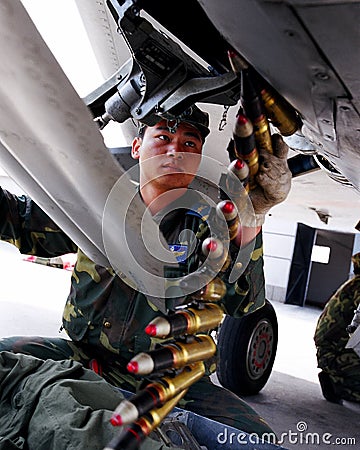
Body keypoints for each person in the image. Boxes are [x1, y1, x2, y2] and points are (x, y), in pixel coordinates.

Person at [0, 105, 291, 448]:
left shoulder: (210, 227)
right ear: (137, 147)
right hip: (85, 357)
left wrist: (255, 215)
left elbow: (244, 302)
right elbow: (21, 219)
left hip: (174, 381)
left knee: (254, 440)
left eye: (189, 145)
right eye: (164, 138)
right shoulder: (100, 206)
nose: (174, 151)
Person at [314, 252, 360, 404]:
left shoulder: (353, 284)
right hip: (334, 353)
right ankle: (335, 384)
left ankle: (335, 379)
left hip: (332, 350)